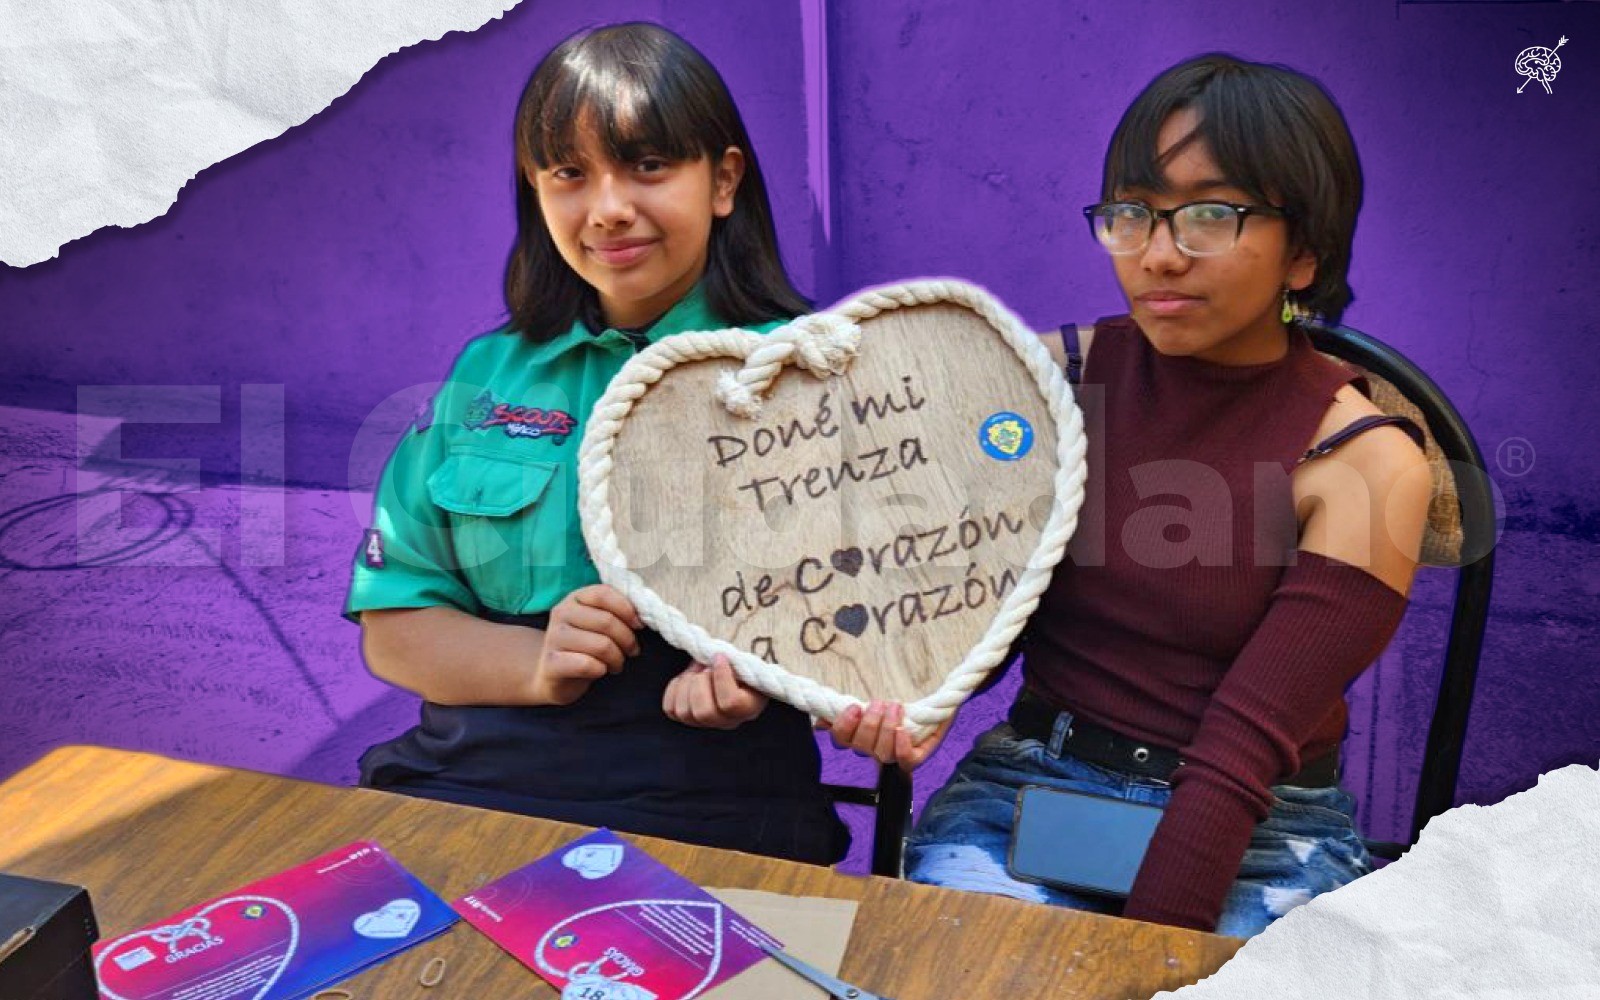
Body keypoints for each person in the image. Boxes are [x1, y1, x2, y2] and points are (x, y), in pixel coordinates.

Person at [823, 53, 1432, 935]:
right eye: (1134, 214)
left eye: (1210, 216)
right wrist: (928, 695)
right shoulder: (1056, 382)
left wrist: (1143, 958)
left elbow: (1241, 751)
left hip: (1263, 825)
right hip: (1032, 791)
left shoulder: (1364, 463)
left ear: (1303, 253)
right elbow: (983, 592)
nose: (1157, 255)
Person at [345, 22, 849, 865]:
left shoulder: (807, 374)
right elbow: (395, 628)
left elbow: (878, 623)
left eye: (649, 166)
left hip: (712, 814)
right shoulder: (488, 371)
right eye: (568, 174)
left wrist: (764, 674)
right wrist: (539, 659)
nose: (609, 207)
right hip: (465, 793)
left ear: (723, 180)